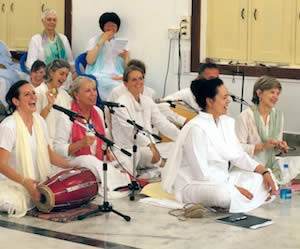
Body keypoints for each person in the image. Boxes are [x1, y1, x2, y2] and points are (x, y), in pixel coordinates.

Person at [162, 78, 276, 213]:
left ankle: (237, 197)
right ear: (210, 101)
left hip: (222, 180)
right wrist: (232, 188)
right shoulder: (196, 128)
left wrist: (263, 171)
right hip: (194, 184)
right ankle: (234, 197)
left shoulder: (227, 122)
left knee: (263, 178)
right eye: (224, 97)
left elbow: (238, 155)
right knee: (223, 195)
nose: (229, 101)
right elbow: (201, 174)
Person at [0, 80, 72, 217]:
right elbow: (1, 165)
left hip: (38, 182)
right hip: (13, 183)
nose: (33, 97)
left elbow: (49, 154)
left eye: (33, 93)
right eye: (27, 94)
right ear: (16, 101)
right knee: (15, 204)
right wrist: (24, 181)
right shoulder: (8, 126)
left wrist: (71, 166)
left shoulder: (39, 121)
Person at [53, 76, 130, 193]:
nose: (93, 94)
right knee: (89, 160)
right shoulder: (67, 116)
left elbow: (103, 137)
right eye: (88, 91)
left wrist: (107, 150)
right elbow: (57, 149)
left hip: (99, 157)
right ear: (77, 95)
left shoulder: (98, 111)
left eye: (94, 89)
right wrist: (80, 144)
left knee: (125, 158)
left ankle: (116, 179)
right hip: (74, 160)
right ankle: (120, 181)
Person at [111, 65, 180, 177]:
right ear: (125, 83)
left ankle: (159, 165)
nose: (138, 82)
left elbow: (162, 123)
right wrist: (151, 146)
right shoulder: (121, 104)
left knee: (174, 147)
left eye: (141, 78)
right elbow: (131, 131)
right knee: (127, 174)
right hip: (127, 150)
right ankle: (157, 166)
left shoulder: (147, 100)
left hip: (145, 149)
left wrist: (181, 136)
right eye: (134, 79)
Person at [235, 76, 289, 179]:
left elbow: (274, 149)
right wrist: (262, 146)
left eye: (278, 93)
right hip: (249, 168)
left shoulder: (278, 116)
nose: (276, 97)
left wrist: (280, 147)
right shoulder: (245, 117)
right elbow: (237, 149)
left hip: (269, 166)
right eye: (272, 92)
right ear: (259, 93)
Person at [86, 12, 129, 100]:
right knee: (115, 87)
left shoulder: (121, 42)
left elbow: (128, 68)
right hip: (99, 75)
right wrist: (101, 41)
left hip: (117, 75)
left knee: (128, 86)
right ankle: (110, 108)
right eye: (108, 25)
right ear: (103, 27)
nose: (111, 28)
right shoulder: (94, 40)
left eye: (114, 26)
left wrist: (125, 58)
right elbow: (90, 61)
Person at [35, 59, 72, 145]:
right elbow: (35, 122)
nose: (64, 78)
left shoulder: (65, 95)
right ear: (51, 72)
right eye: (61, 74)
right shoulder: (37, 93)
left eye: (66, 75)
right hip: (43, 142)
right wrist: (49, 105)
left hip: (62, 143)